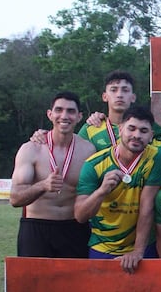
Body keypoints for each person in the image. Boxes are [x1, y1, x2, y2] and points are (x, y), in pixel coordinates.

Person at [75, 106, 161, 272]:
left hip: (142, 245)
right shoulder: (93, 164)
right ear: (120, 129)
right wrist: (101, 191)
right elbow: (80, 216)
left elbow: (146, 208)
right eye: (131, 128)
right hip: (103, 246)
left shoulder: (157, 157)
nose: (137, 135)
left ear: (151, 135)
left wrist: (138, 251)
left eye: (143, 131)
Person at [10, 92, 96, 257]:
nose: (64, 116)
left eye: (70, 111)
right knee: (33, 283)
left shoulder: (88, 150)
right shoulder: (31, 149)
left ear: (79, 116)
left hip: (74, 228)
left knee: (75, 282)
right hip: (37, 227)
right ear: (50, 114)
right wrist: (43, 185)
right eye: (59, 110)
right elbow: (15, 199)